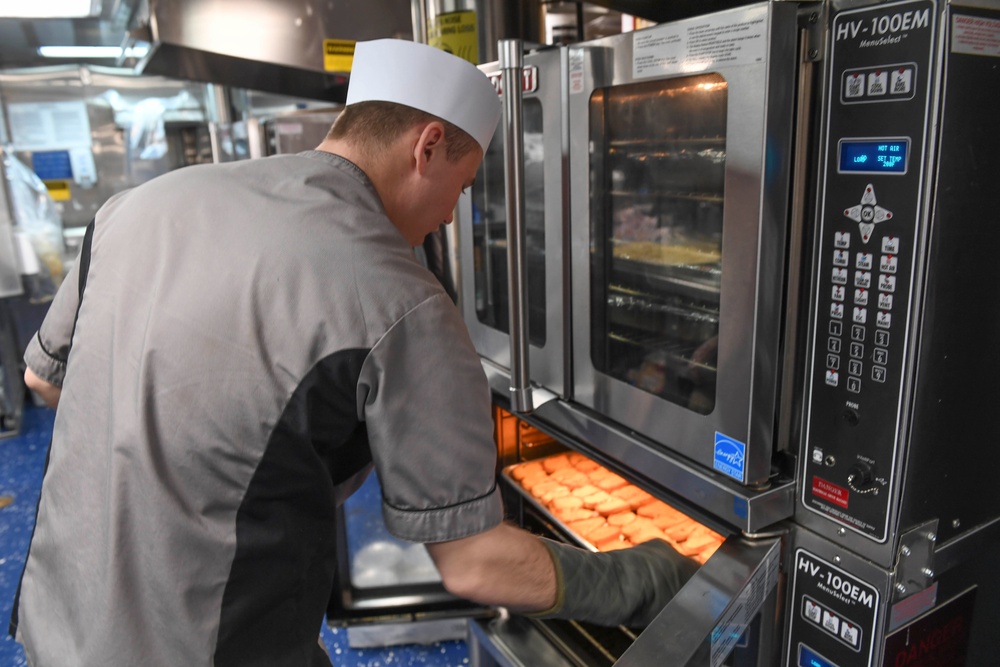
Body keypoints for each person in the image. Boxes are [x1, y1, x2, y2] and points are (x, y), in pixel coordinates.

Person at [10, 39, 698, 666]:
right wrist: (647, 579)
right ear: (427, 146)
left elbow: (45, 380)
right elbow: (476, 563)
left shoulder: (133, 208)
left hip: (57, 623)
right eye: (461, 186)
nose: (451, 215)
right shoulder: (401, 300)